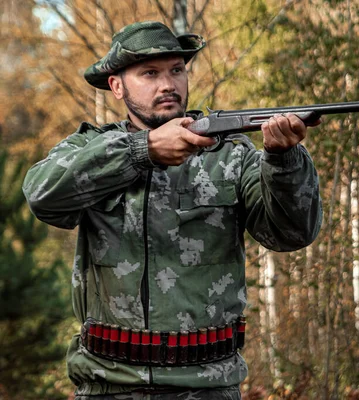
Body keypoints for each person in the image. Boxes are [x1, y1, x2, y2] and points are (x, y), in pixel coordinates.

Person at [22, 21, 322, 399]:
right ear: (117, 85)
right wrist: (140, 151)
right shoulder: (90, 149)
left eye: (176, 70)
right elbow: (41, 194)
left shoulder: (231, 156)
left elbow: (291, 234)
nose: (168, 84)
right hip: (107, 386)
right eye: (150, 73)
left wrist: (283, 160)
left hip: (208, 387)